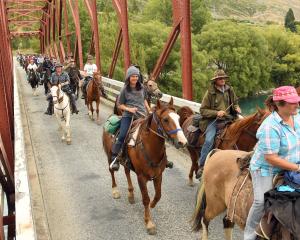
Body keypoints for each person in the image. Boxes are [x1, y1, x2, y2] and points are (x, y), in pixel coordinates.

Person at [244, 86, 300, 240]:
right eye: (293, 102)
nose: (297, 104)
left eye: (297, 101)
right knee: (261, 201)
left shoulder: (297, 117)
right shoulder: (270, 126)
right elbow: (271, 158)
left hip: (293, 161)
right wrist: (298, 168)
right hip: (268, 169)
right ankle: (249, 234)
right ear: (279, 105)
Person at [196, 69, 241, 178]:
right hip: (213, 120)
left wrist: (237, 108)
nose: (223, 80)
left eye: (224, 78)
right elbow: (203, 110)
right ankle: (201, 165)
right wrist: (216, 113)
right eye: (220, 78)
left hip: (230, 118)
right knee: (209, 140)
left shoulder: (230, 90)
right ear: (215, 80)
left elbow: (234, 103)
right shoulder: (210, 93)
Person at [110, 66, 151, 171]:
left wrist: (149, 109)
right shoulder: (124, 89)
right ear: (128, 77)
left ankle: (162, 159)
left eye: (136, 76)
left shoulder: (142, 87)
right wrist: (129, 109)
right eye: (133, 76)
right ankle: (115, 158)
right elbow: (119, 105)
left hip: (142, 115)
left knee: (154, 132)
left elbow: (145, 99)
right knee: (123, 135)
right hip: (129, 116)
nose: (135, 78)